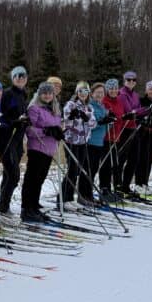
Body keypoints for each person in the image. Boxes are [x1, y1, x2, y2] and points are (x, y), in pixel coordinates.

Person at [21, 82, 63, 222]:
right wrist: (46, 131)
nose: (47, 95)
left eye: (50, 93)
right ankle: (26, 208)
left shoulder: (55, 109)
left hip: (49, 150)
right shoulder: (34, 108)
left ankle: (34, 206)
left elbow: (57, 126)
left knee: (40, 179)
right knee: (32, 179)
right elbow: (29, 130)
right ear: (39, 94)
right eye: (44, 93)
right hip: (37, 148)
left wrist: (59, 132)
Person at [0, 66, 29, 213]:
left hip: (18, 140)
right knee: (14, 175)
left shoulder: (23, 95)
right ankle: (3, 207)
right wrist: (13, 122)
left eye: (23, 75)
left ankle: (4, 205)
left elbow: (22, 116)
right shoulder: (7, 94)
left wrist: (26, 121)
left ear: (26, 79)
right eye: (17, 76)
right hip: (6, 140)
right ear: (13, 78)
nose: (20, 78)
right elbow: (0, 116)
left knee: (9, 175)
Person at [60, 81, 97, 210]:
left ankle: (70, 198)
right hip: (71, 141)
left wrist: (86, 118)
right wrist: (72, 116)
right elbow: (66, 121)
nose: (83, 94)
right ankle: (64, 198)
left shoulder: (89, 107)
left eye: (85, 91)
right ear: (77, 92)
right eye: (80, 91)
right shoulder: (71, 104)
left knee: (77, 171)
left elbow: (93, 124)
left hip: (83, 142)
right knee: (71, 169)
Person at [116, 71, 143, 194]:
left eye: (133, 80)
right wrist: (140, 111)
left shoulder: (136, 95)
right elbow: (129, 111)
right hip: (124, 129)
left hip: (134, 128)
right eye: (128, 80)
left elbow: (137, 111)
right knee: (122, 158)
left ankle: (126, 185)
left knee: (134, 159)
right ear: (124, 81)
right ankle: (118, 185)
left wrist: (140, 111)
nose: (131, 82)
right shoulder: (121, 94)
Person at [86, 83, 113, 205]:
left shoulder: (101, 106)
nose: (100, 95)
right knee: (89, 169)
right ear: (92, 93)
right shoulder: (90, 106)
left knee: (94, 169)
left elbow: (105, 125)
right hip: (90, 142)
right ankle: (85, 195)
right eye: (97, 92)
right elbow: (90, 125)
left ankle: (88, 194)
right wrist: (102, 122)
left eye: (102, 93)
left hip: (99, 142)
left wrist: (110, 120)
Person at [99, 78, 126, 201]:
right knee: (106, 164)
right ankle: (104, 188)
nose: (114, 91)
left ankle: (113, 188)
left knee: (115, 163)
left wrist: (126, 117)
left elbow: (120, 117)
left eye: (115, 88)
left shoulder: (119, 101)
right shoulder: (104, 101)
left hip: (116, 136)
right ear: (106, 90)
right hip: (106, 137)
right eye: (111, 89)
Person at [134, 80, 152, 191]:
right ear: (146, 90)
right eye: (150, 89)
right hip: (143, 132)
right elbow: (138, 114)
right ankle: (138, 183)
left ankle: (145, 183)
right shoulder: (142, 101)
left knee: (149, 159)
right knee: (141, 158)